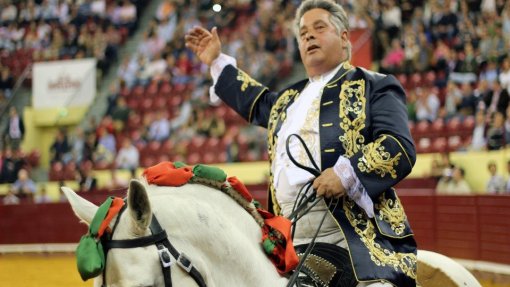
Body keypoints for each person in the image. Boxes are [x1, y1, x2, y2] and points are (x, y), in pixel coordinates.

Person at [185, 0, 417, 286]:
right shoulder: (286, 100)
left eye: (319, 28)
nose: (308, 36)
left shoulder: (375, 85)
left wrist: (347, 174)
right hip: (288, 239)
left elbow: (398, 146)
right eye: (303, 33)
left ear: (344, 39)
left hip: (351, 236)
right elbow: (253, 101)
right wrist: (217, 61)